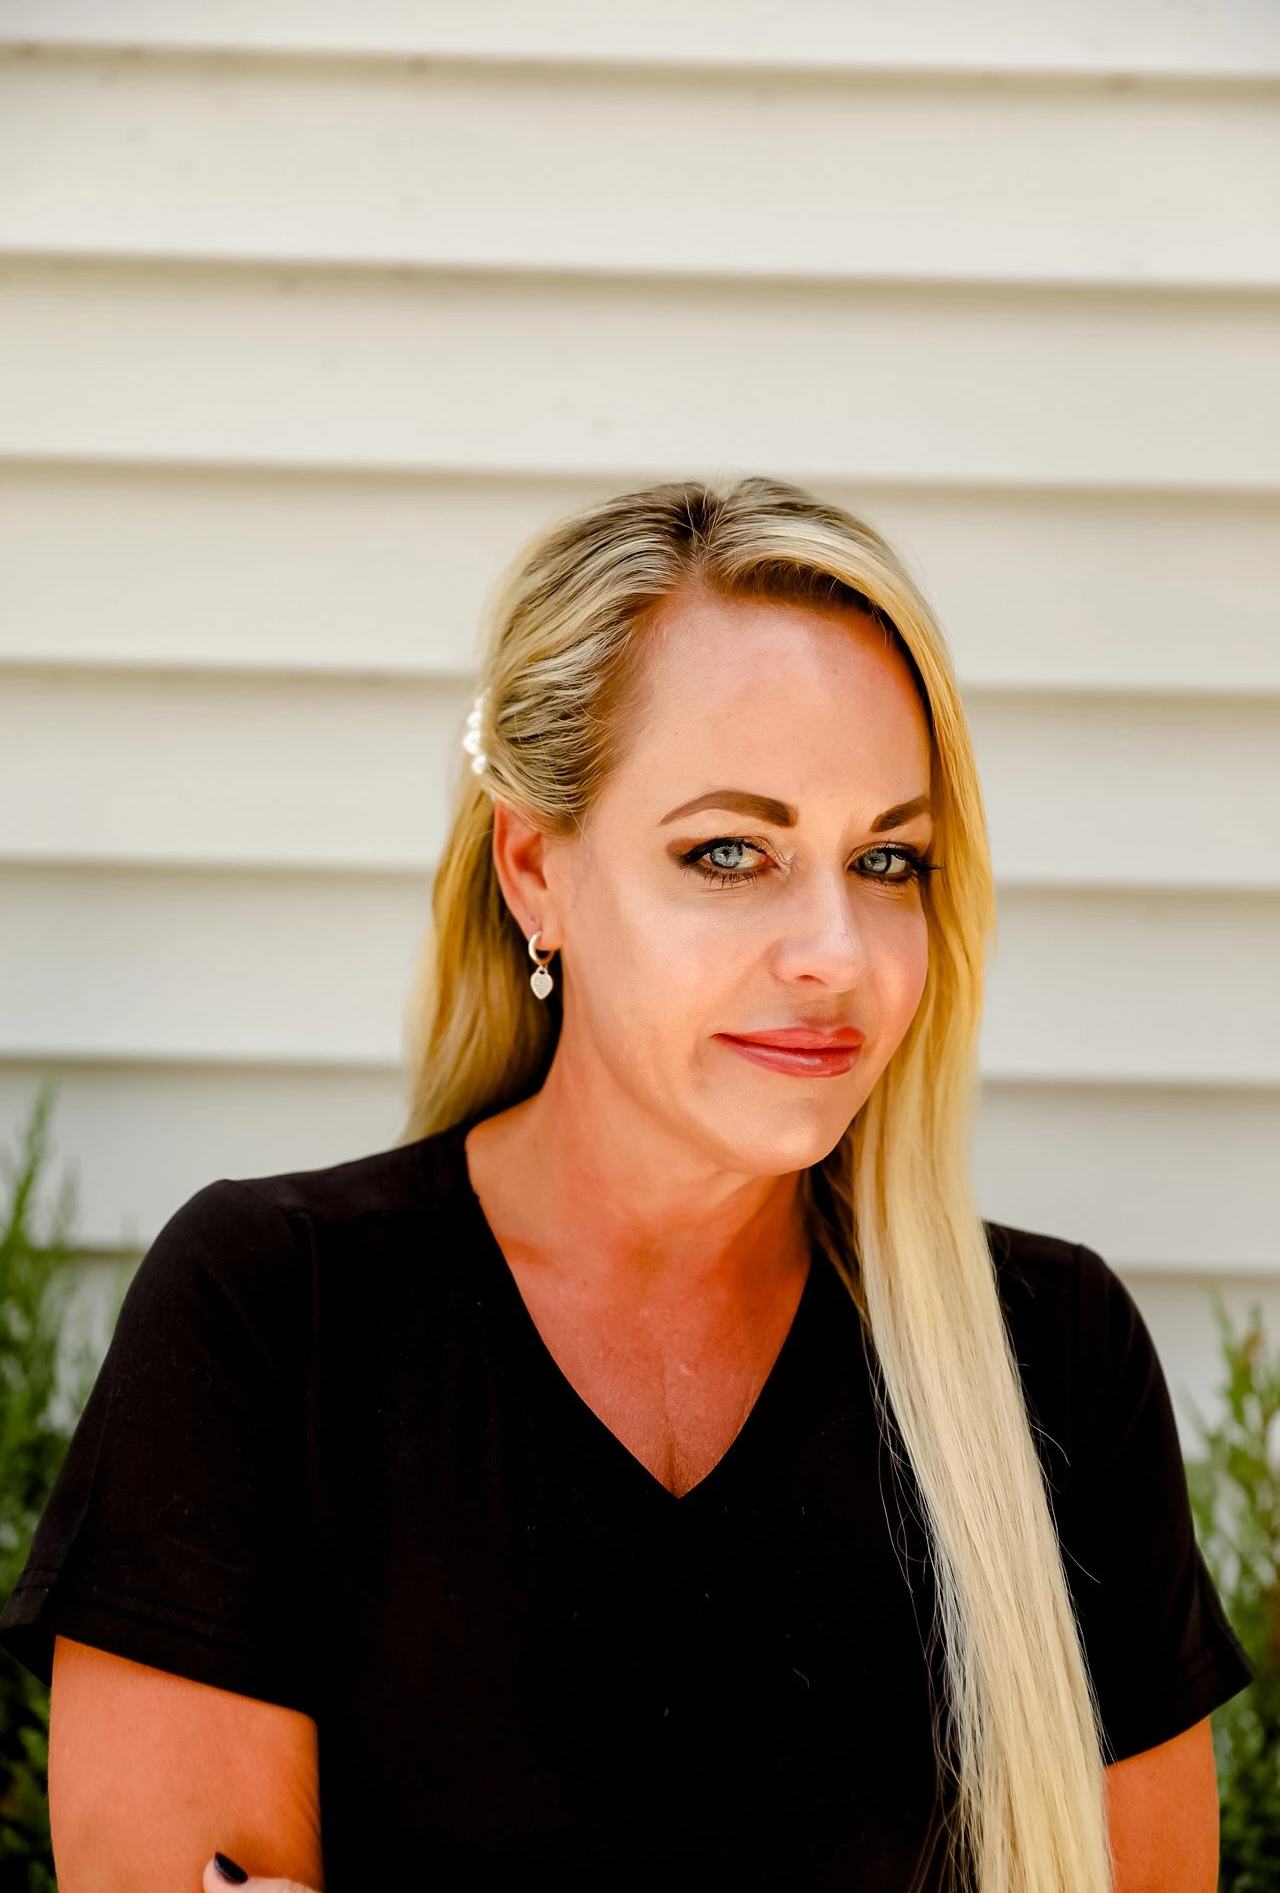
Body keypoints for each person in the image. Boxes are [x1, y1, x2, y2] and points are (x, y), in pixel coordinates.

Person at [0, 478, 1252, 1892]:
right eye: (731, 853)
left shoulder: (1053, 1360)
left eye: (887, 859)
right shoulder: (276, 1319)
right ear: (535, 868)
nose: (834, 953)